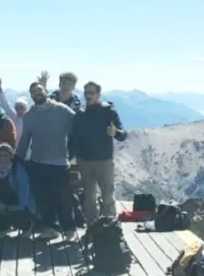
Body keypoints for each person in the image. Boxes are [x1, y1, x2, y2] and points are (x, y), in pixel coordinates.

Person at [15, 81, 76, 240]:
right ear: (31, 96)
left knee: (63, 198)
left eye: (39, 90)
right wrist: (17, 157)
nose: (37, 93)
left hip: (59, 161)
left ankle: (69, 228)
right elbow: (25, 140)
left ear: (46, 90)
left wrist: (74, 153)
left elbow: (77, 128)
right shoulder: (29, 116)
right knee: (44, 198)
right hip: (38, 161)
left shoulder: (62, 110)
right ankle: (50, 227)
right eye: (33, 91)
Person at [72, 81, 127, 222]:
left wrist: (116, 133)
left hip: (104, 160)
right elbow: (75, 137)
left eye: (92, 93)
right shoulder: (80, 114)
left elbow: (123, 135)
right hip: (84, 160)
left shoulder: (108, 111)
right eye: (86, 93)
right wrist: (71, 156)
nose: (88, 96)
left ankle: (110, 227)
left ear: (98, 95)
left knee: (107, 194)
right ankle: (92, 227)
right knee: (89, 197)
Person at [0, 143, 36, 238]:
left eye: (6, 155)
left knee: (18, 215)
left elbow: (25, 191)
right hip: (4, 202)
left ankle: (28, 226)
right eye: (0, 155)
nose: (3, 158)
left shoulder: (17, 169)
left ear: (11, 157)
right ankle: (5, 227)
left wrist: (19, 207)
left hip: (20, 203)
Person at [0, 75, 28, 145]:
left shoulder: (30, 118)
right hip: (13, 148)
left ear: (25, 108)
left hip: (27, 150)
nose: (18, 109)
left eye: (21, 107)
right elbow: (4, 104)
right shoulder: (13, 116)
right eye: (17, 107)